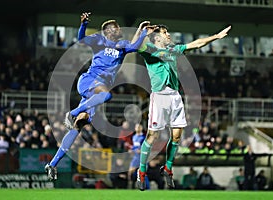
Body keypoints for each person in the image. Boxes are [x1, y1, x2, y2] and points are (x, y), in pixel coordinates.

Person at [44, 12, 157, 181]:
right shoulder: (99, 40)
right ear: (108, 31)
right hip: (90, 81)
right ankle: (72, 112)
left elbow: (134, 46)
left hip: (93, 91)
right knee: (106, 95)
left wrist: (142, 31)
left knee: (79, 126)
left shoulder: (122, 45)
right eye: (116, 27)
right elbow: (81, 38)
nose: (119, 29)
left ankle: (52, 164)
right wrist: (83, 24)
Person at [136, 24, 231, 191]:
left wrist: (215, 36)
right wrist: (142, 31)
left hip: (174, 96)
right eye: (165, 32)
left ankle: (167, 169)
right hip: (159, 96)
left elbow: (196, 43)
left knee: (177, 136)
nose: (169, 35)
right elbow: (134, 45)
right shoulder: (148, 49)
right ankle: (141, 171)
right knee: (153, 136)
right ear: (157, 37)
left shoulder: (173, 49)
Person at [127, 123, 146, 188]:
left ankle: (145, 186)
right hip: (135, 156)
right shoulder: (134, 137)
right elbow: (135, 146)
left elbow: (145, 147)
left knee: (142, 172)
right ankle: (131, 186)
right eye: (137, 127)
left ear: (141, 128)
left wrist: (142, 151)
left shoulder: (144, 137)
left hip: (141, 157)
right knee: (130, 172)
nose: (138, 128)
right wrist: (131, 149)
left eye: (139, 127)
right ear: (135, 128)